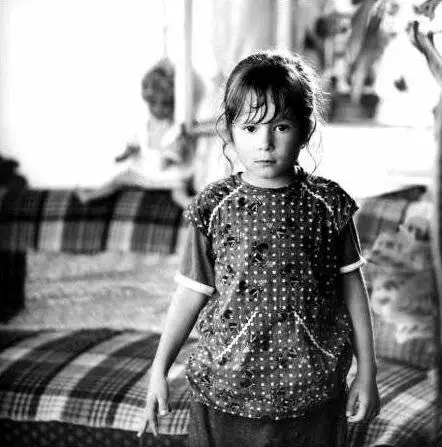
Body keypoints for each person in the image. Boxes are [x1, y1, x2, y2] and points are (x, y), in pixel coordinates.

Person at [138, 50, 380, 446]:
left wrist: (368, 374)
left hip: (314, 397)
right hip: (224, 395)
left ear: (305, 128)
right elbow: (189, 293)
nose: (265, 143)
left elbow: (354, 292)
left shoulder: (328, 205)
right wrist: (158, 370)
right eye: (250, 128)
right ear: (229, 131)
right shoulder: (212, 207)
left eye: (281, 126)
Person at [76, 59, 202, 206]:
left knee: (178, 192)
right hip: (146, 171)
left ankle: (194, 207)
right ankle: (90, 196)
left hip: (170, 174)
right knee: (119, 179)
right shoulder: (146, 125)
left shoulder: (177, 126)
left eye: (166, 105)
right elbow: (137, 142)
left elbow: (177, 148)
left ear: (174, 102)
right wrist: (127, 153)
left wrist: (169, 157)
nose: (159, 109)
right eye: (153, 104)